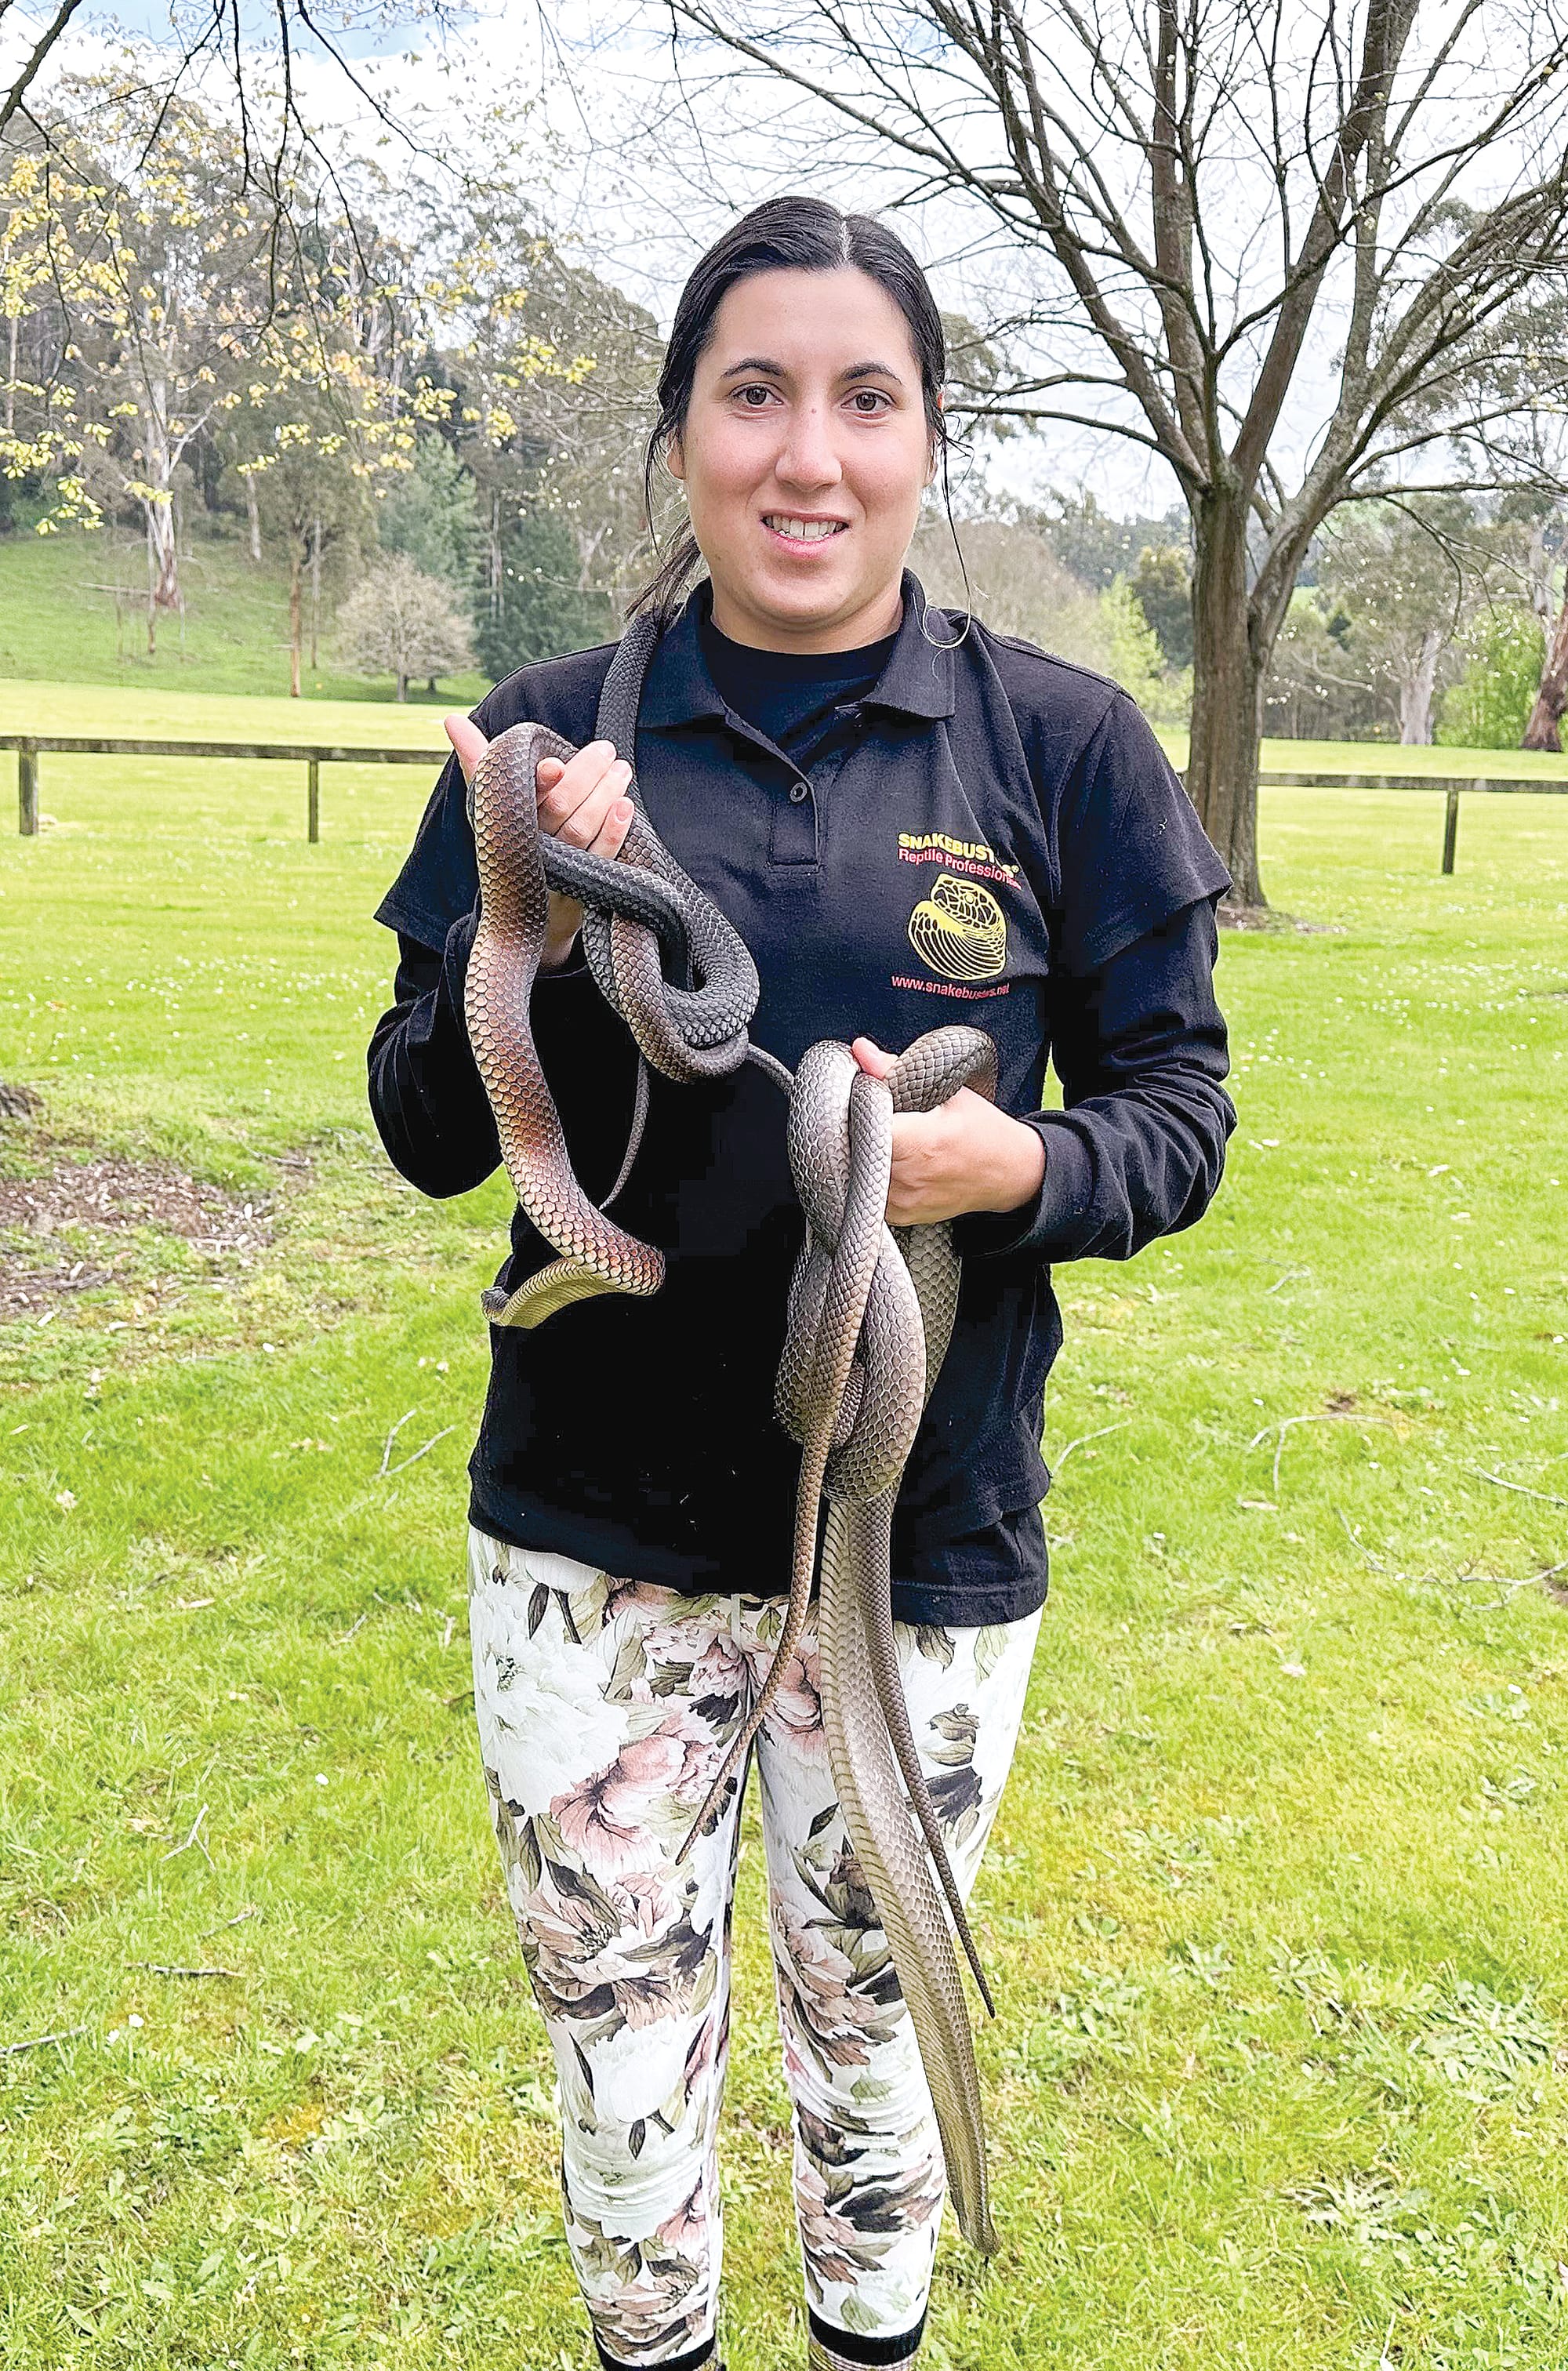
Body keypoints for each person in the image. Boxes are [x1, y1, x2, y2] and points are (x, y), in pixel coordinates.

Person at [368, 195, 1234, 2371]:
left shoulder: (1059, 745)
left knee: (872, 2073)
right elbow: (420, 1126)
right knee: (623, 2072)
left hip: (918, 1556)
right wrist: (550, 931)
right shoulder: (539, 742)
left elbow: (1181, 1120)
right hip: (597, 1549)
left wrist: (998, 1157)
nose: (808, 454)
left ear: (932, 438)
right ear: (679, 434)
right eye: (753, 393)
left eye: (867, 398)